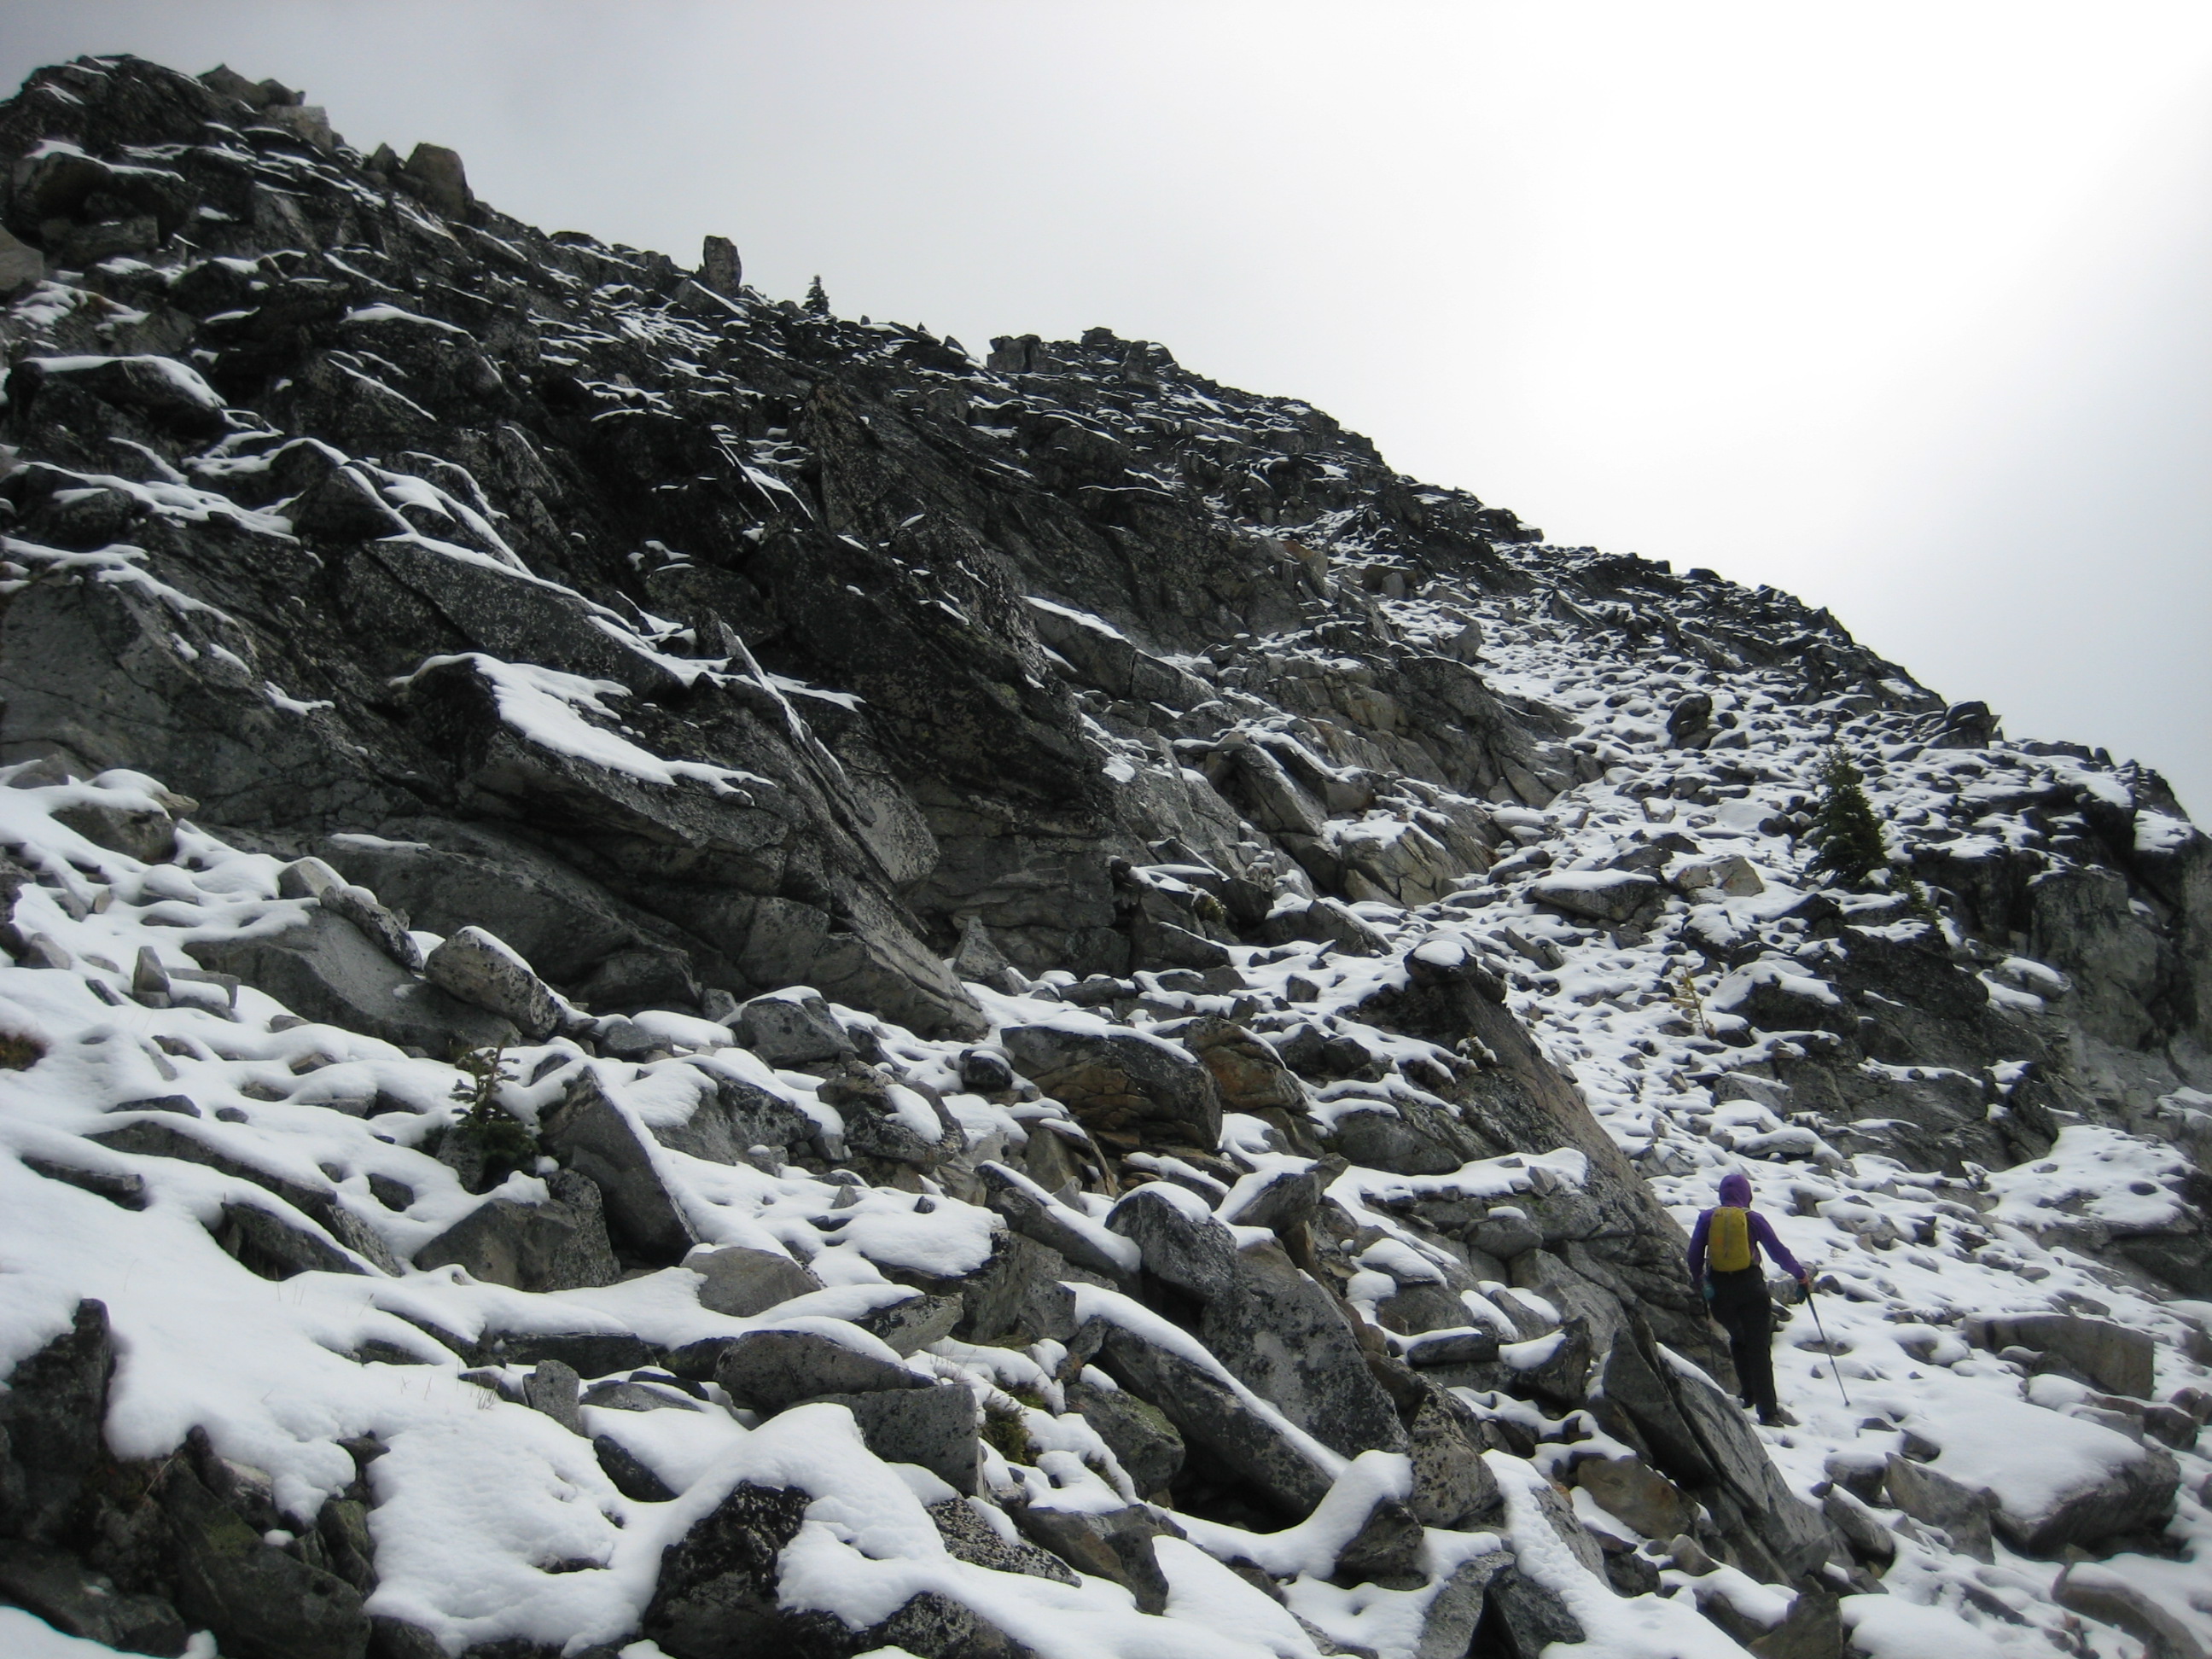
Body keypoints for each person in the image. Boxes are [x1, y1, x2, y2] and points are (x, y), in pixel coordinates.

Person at [1686, 1170, 1810, 1426]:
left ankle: (1747, 1395)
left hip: (1720, 1292)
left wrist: (1701, 1284)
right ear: (1746, 1194)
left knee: (1738, 1338)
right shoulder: (1752, 1219)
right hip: (1751, 1287)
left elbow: (1694, 1256)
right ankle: (1768, 1413)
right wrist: (1800, 1275)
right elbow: (1777, 1252)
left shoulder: (1707, 1218)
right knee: (1759, 1349)